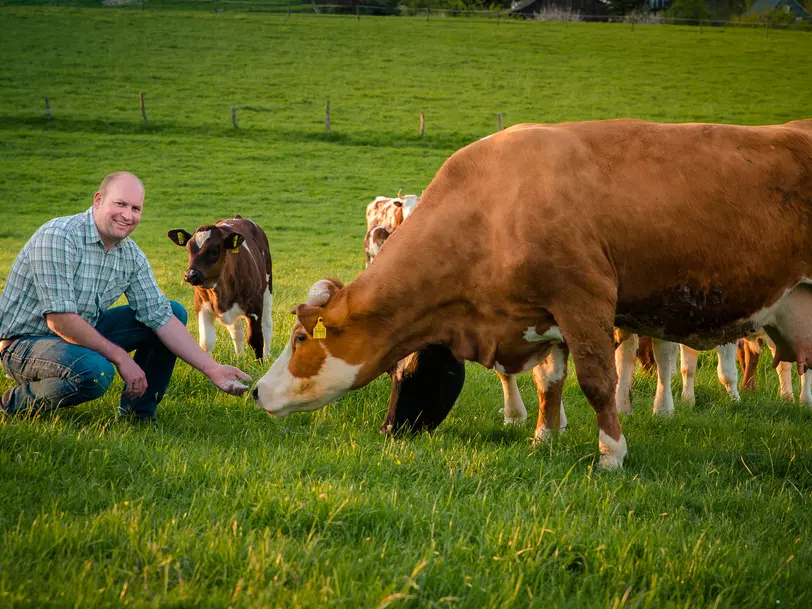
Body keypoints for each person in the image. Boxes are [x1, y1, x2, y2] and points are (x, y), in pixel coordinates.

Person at [0, 172, 252, 422]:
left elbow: (160, 318)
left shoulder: (131, 255)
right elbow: (61, 320)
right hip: (25, 343)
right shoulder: (59, 236)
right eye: (120, 204)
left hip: (79, 335)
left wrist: (212, 368)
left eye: (136, 208)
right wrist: (121, 358)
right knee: (96, 372)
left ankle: (138, 415)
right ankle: (10, 404)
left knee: (173, 311)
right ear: (98, 200)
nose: (128, 215)